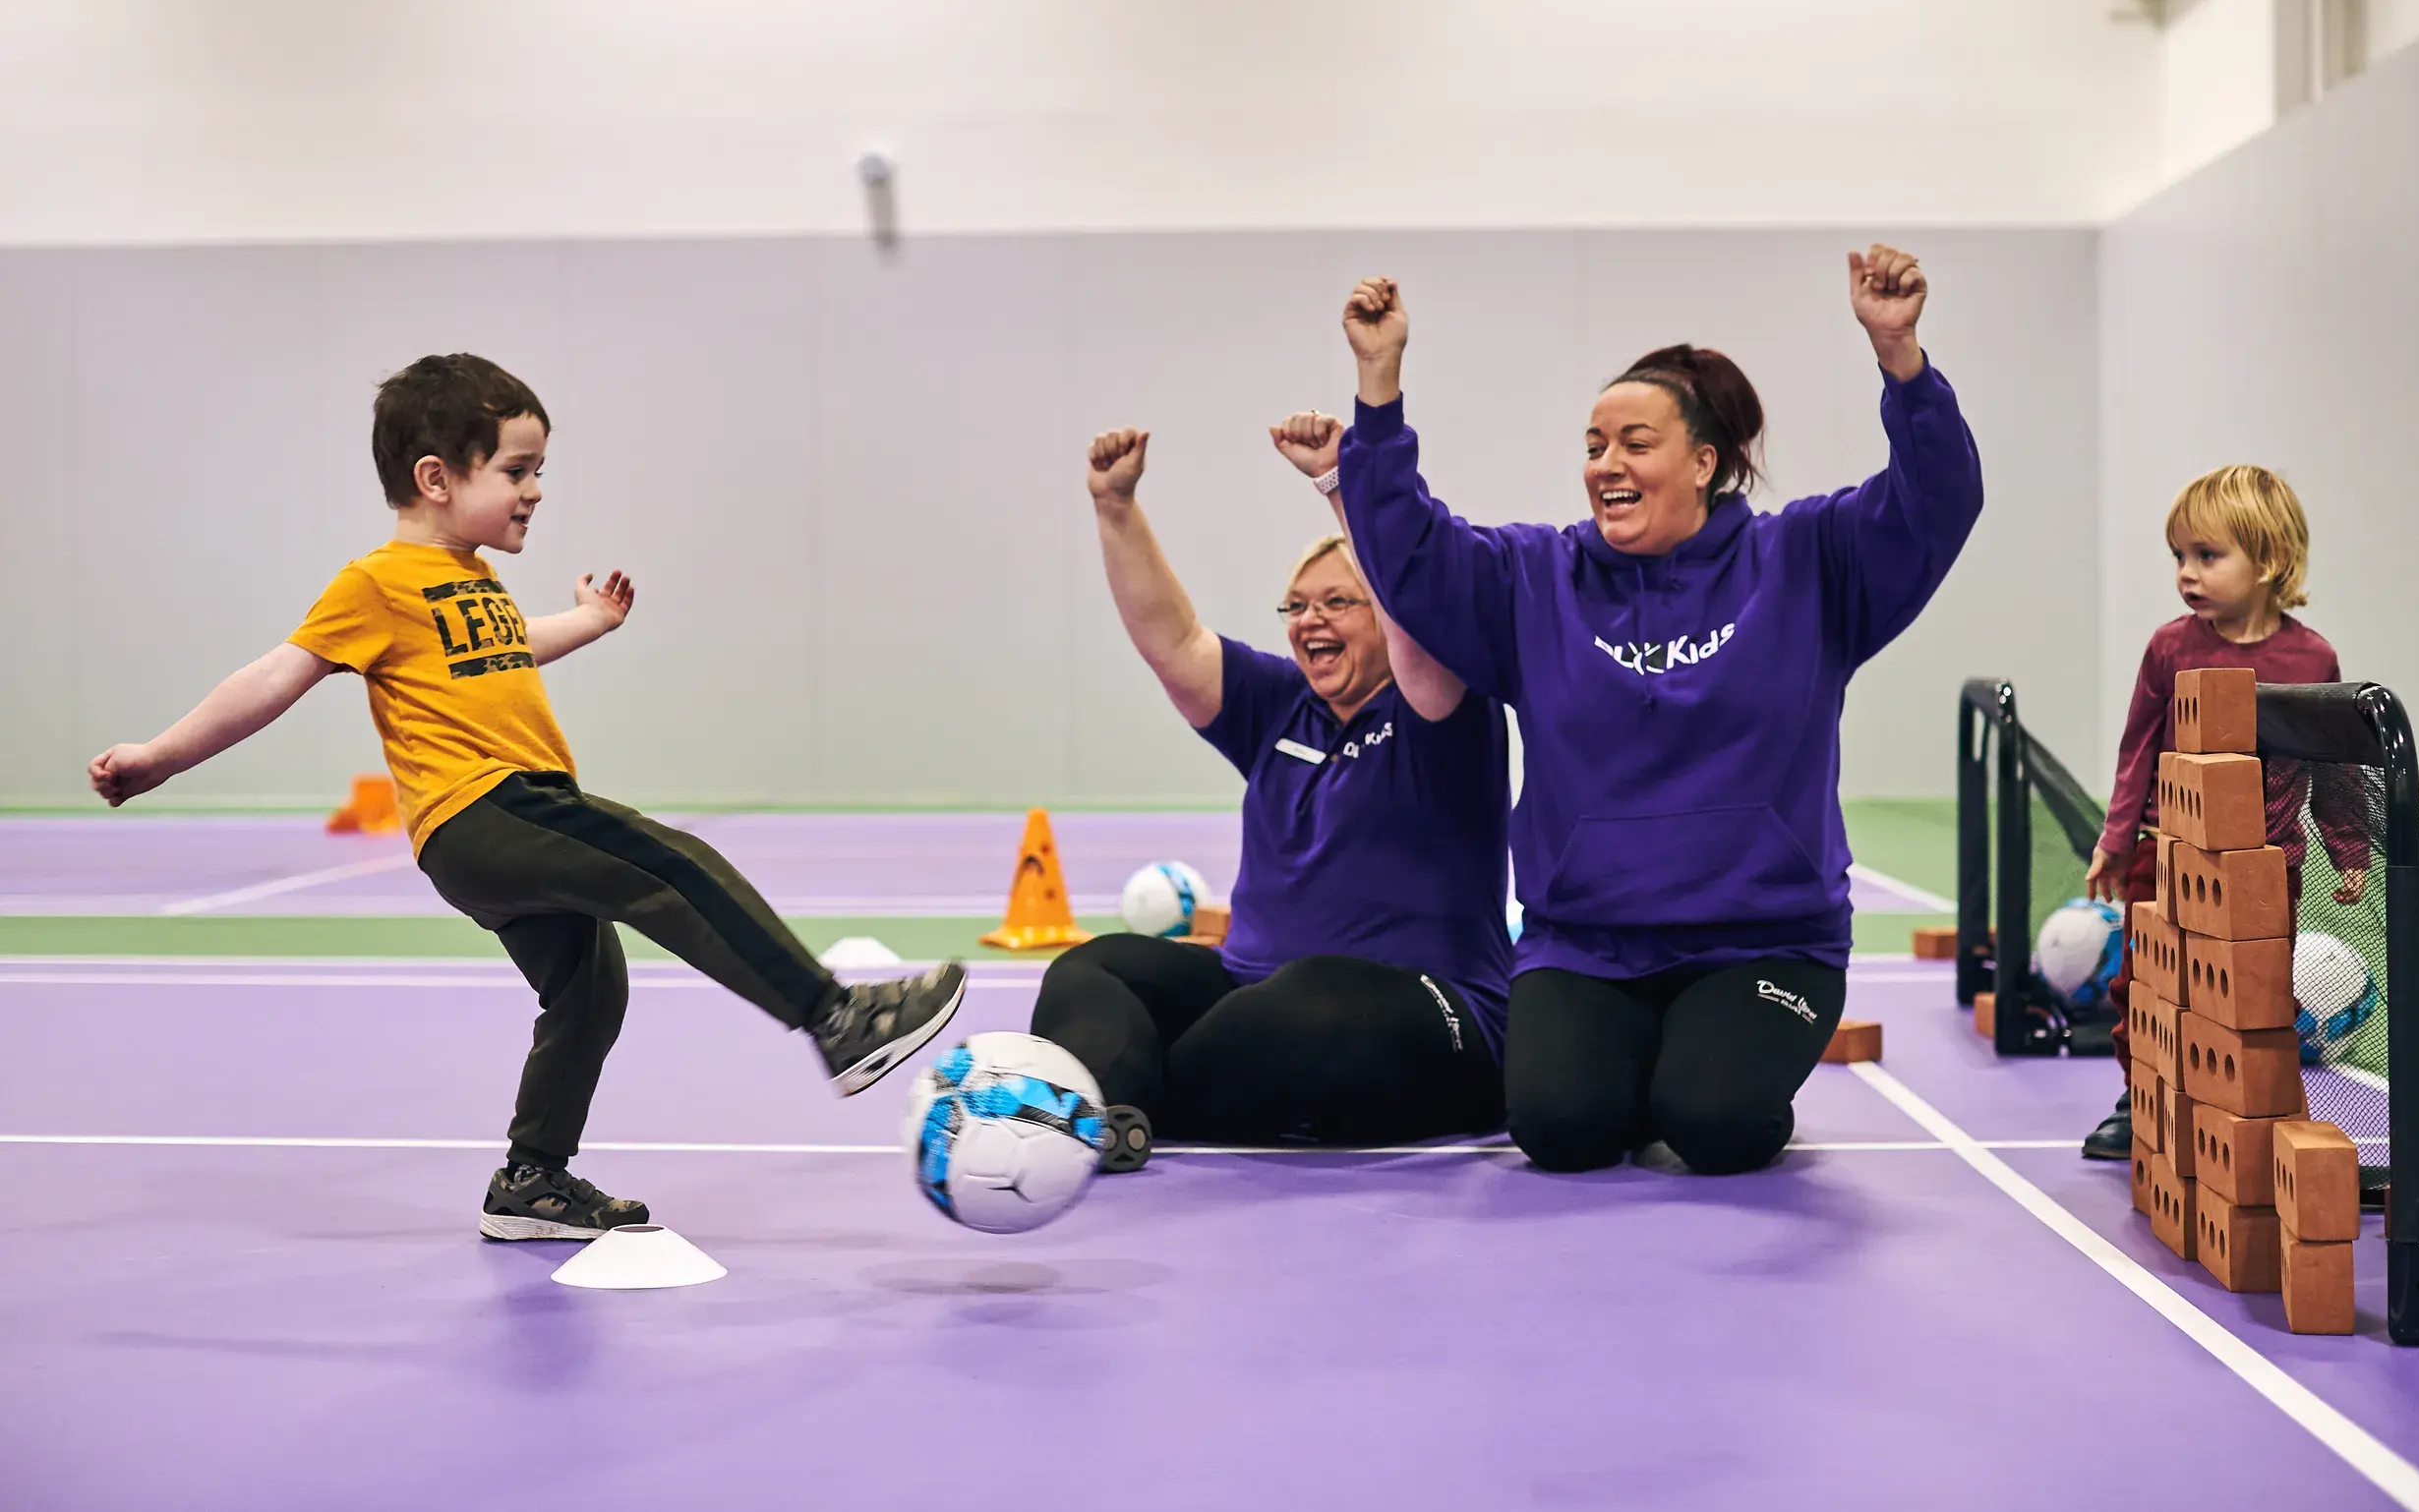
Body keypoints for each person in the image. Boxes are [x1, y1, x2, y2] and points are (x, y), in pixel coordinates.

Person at [88, 354, 966, 1238]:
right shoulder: (378, 583)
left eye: (539, 469)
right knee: (667, 862)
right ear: (436, 477)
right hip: (483, 810)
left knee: (590, 988)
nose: (536, 489)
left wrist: (587, 622)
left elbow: (506, 648)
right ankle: (835, 1018)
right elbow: (279, 672)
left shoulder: (473, 577)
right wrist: (160, 755)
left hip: (500, 822)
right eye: (516, 469)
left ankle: (531, 1180)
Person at [1332, 247, 1982, 1175]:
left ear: (1706, 462)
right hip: (1587, 942)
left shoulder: (1807, 563)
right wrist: (1379, 387)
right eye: (1595, 447)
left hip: (1764, 938)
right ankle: (1639, 1068)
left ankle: (1727, 1083)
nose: (1607, 466)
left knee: (1711, 1124)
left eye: (1636, 444)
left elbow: (1938, 500)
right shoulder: (1534, 579)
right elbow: (1410, 555)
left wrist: (1900, 356)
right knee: (1560, 1130)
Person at [1029, 421, 1513, 1166]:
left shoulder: (1442, 709)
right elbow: (1175, 641)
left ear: (1384, 614)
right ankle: (1117, 1114)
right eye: (1296, 607)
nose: (1310, 620)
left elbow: (1416, 607)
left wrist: (1342, 490)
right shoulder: (1280, 705)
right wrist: (1116, 509)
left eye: (1337, 603)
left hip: (1429, 1006)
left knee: (1307, 1001)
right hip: (1252, 992)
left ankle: (1140, 1094)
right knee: (1095, 967)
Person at [2078, 465, 2366, 1160]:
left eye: (2208, 556)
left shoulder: (2310, 656)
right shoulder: (2171, 647)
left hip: (2267, 865)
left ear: (2267, 561)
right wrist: (2117, 839)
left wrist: (2350, 851)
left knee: (2257, 996)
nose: (2187, 572)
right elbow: (2138, 748)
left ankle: (2250, 1112)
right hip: (2167, 850)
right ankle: (2140, 1091)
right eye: (2180, 556)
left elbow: (2336, 769)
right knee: (2143, 982)